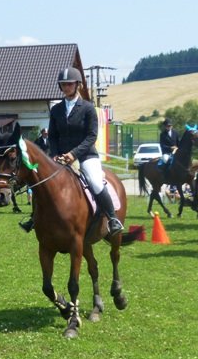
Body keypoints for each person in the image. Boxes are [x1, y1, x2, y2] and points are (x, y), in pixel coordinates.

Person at [21, 67, 123, 236]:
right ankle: (35, 217)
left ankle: (112, 218)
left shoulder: (88, 108)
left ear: (77, 85)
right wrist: (55, 154)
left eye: (69, 84)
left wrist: (73, 154)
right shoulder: (56, 109)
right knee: (43, 182)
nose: (66, 87)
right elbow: (53, 136)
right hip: (61, 157)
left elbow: (91, 136)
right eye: (63, 84)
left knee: (95, 182)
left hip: (86, 156)